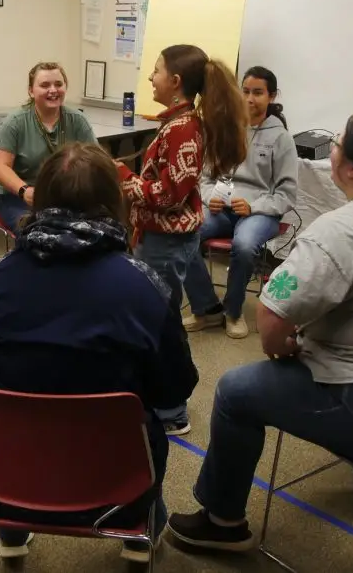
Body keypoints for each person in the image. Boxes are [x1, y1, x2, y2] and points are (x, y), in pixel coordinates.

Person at [167, 112, 353, 551]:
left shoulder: (340, 231)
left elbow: (270, 317)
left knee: (234, 390)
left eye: (339, 142)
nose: (334, 149)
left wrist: (285, 347)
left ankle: (222, 522)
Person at [0, 142, 198, 565]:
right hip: (116, 486)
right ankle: (137, 538)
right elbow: (175, 388)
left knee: (10, 409)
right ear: (113, 202)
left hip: (0, 479)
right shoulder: (143, 286)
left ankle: (11, 534)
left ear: (42, 199)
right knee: (146, 422)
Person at [117, 43, 247, 436]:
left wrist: (125, 178)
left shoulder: (184, 129)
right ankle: (169, 393)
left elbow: (168, 196)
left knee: (160, 324)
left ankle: (172, 409)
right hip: (163, 239)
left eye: (155, 71)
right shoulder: (176, 123)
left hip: (165, 242)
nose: (150, 78)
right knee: (163, 318)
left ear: (175, 82)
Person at [182, 66, 298, 338]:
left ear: (272, 96)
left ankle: (233, 312)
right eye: (245, 91)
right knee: (184, 232)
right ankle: (207, 308)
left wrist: (254, 207)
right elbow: (206, 177)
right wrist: (210, 198)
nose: (249, 99)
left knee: (245, 246)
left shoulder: (281, 138)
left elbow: (287, 193)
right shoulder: (226, 129)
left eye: (257, 93)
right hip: (222, 209)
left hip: (260, 212)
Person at [0, 62, 97, 230]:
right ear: (31, 91)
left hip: (64, 196)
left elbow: (96, 162)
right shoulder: (15, 122)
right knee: (36, 231)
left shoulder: (77, 120)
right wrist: (24, 190)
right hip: (17, 196)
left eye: (58, 84)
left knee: (91, 229)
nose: (53, 90)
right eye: (45, 85)